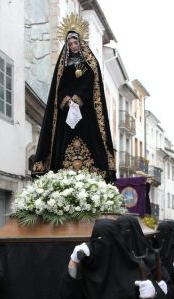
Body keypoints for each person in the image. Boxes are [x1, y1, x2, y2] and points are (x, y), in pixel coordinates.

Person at [31, 24, 116, 182]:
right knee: (63, 143)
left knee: (92, 141)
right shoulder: (63, 65)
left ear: (81, 43)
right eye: (70, 44)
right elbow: (59, 87)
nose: (73, 46)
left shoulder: (90, 63)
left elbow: (90, 83)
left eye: (75, 43)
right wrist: (67, 100)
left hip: (86, 112)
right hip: (66, 113)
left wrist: (77, 98)